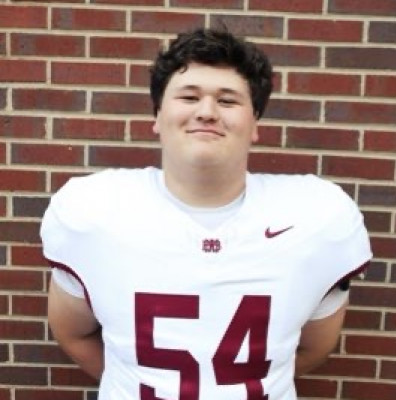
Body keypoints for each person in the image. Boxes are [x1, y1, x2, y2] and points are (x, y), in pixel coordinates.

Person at [41, 28, 372, 400]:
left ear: (255, 123)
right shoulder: (95, 211)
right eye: (189, 96)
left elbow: (314, 347)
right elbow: (73, 334)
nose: (207, 112)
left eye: (228, 100)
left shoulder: (316, 217)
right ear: (157, 116)